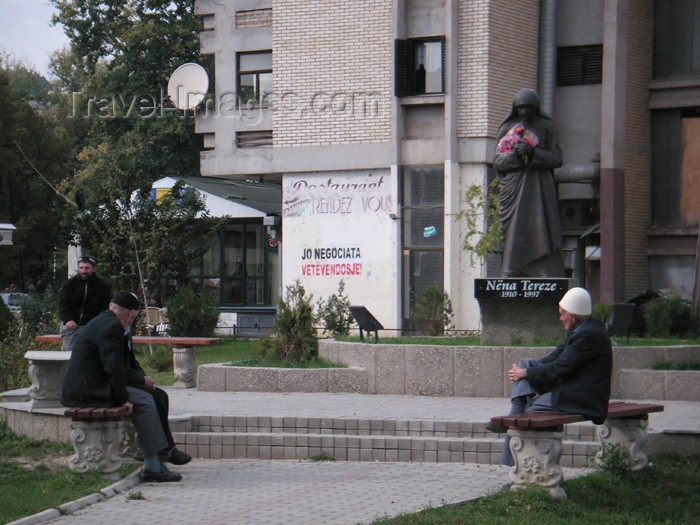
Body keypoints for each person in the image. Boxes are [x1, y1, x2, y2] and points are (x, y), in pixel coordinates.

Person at [61, 291, 190, 482]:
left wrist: (141, 379)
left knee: (155, 395)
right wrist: (122, 399)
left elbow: (121, 364)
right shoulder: (111, 327)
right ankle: (152, 465)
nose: (131, 321)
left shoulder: (107, 321)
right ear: (129, 313)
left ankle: (160, 453)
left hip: (95, 384)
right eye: (133, 317)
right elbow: (113, 368)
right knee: (146, 402)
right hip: (88, 391)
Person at [489, 287, 613, 466]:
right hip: (569, 389)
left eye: (562, 314)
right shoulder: (583, 327)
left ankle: (516, 467)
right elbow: (557, 355)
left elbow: (562, 367)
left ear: (572, 316)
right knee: (526, 363)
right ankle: (515, 411)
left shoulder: (589, 335)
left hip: (581, 398)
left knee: (526, 417)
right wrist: (529, 370)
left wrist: (525, 374)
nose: (560, 318)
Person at [493, 89, 565, 277]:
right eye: (521, 108)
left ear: (536, 107)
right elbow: (498, 161)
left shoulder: (548, 127)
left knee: (540, 224)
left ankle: (543, 268)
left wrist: (534, 153)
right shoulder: (506, 129)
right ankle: (513, 267)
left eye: (529, 108)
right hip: (514, 186)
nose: (525, 112)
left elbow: (557, 159)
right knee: (515, 227)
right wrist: (516, 155)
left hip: (539, 186)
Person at [58, 255, 112, 351]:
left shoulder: (103, 287)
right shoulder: (69, 285)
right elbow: (63, 304)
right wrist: (68, 320)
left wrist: (95, 324)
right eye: (81, 268)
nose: (83, 271)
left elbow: (104, 309)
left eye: (87, 268)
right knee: (69, 355)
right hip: (71, 326)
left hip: (91, 326)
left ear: (93, 269)